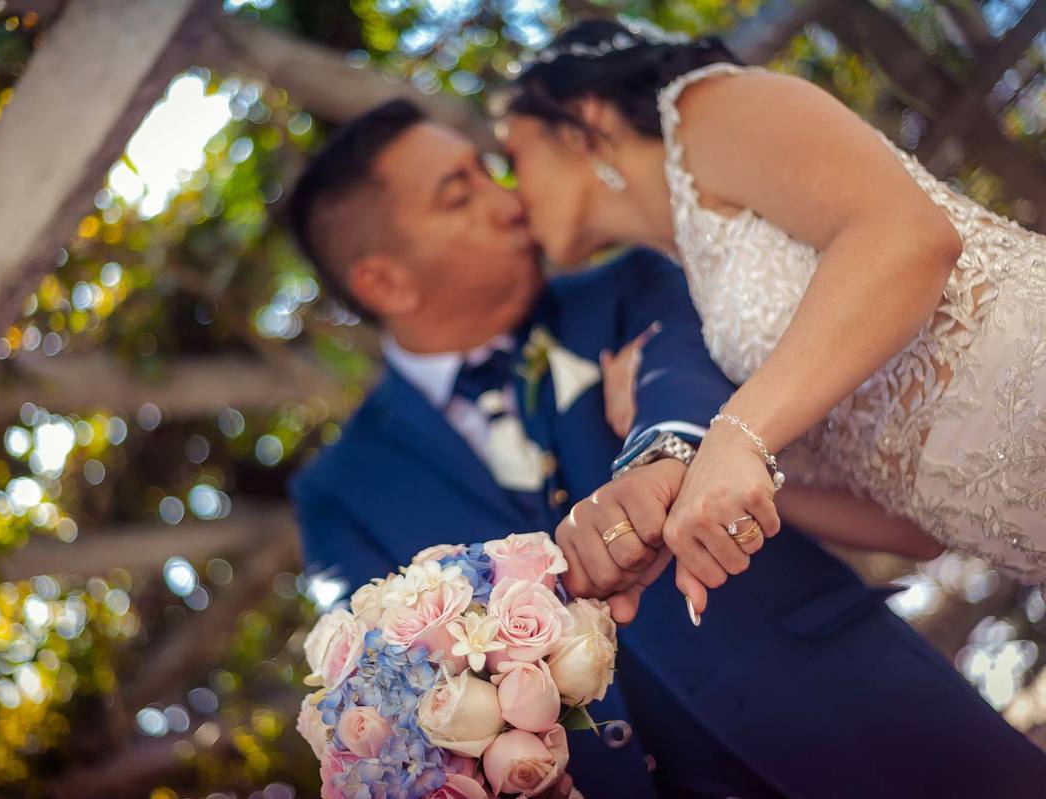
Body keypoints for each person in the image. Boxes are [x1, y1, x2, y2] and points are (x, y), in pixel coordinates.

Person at [284, 98, 1046, 798]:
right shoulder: (340, 491)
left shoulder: (625, 285)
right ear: (385, 281)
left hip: (865, 719)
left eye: (490, 170)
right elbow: (392, 690)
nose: (508, 197)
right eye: (462, 192)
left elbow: (678, 374)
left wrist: (661, 450)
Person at [498, 18, 1046, 611]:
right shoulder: (696, 298)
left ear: (583, 119)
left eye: (511, 155)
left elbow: (910, 239)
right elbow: (913, 532)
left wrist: (736, 433)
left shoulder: (709, 108)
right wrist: (710, 480)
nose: (509, 194)